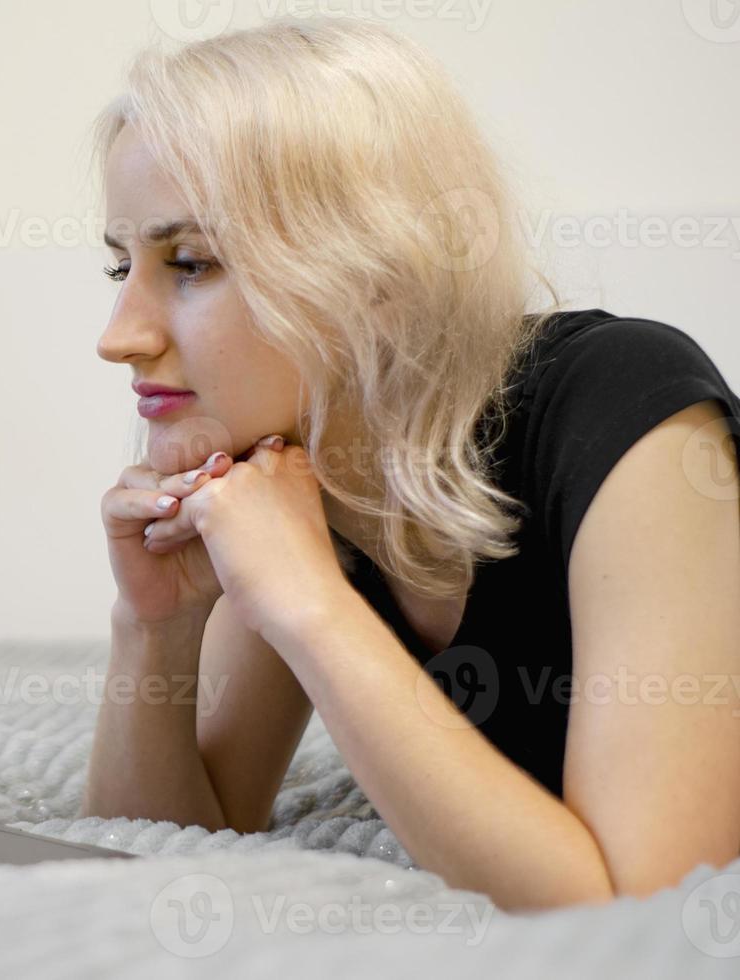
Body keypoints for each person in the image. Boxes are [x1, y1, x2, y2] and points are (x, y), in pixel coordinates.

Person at [81, 18, 740, 912]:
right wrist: (152, 626)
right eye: (122, 266)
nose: (119, 337)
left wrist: (309, 605)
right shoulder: (288, 470)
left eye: (190, 262)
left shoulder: (624, 409)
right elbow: (170, 841)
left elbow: (635, 915)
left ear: (373, 273)